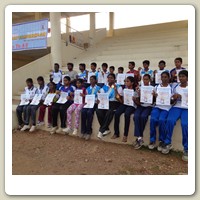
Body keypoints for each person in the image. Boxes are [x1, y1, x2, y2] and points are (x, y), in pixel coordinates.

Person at [161, 70, 188, 162]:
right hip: (176, 107)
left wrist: (182, 97)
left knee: (185, 124)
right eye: (180, 76)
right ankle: (167, 143)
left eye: (183, 76)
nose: (181, 78)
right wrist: (174, 98)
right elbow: (171, 100)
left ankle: (186, 148)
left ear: (187, 78)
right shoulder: (175, 87)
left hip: (187, 108)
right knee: (170, 120)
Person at [148, 71, 172, 151]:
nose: (164, 79)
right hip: (157, 107)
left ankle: (162, 140)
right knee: (153, 119)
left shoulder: (171, 87)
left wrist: (171, 99)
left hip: (166, 108)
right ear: (160, 78)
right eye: (162, 77)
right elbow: (153, 100)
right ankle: (152, 140)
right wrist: (154, 96)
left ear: (169, 78)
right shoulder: (157, 87)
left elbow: (173, 101)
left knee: (162, 120)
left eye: (166, 77)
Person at [111, 76, 139, 142]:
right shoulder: (125, 90)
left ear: (132, 83)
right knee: (117, 113)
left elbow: (138, 102)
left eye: (127, 81)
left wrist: (134, 100)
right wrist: (115, 91)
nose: (126, 83)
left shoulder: (135, 91)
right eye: (125, 81)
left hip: (132, 106)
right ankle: (116, 133)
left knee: (127, 114)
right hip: (125, 104)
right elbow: (121, 100)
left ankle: (125, 135)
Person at [96, 73, 123, 139]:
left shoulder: (119, 87)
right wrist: (98, 98)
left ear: (114, 79)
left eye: (111, 78)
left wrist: (115, 90)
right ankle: (106, 129)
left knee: (109, 112)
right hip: (106, 102)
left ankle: (101, 131)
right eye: (108, 78)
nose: (110, 79)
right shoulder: (105, 86)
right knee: (98, 110)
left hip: (115, 103)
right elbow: (100, 93)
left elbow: (118, 98)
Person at [133, 74, 154, 149]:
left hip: (149, 106)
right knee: (136, 116)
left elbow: (153, 101)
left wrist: (154, 96)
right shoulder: (139, 88)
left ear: (149, 80)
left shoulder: (153, 88)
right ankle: (140, 137)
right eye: (144, 79)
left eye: (147, 79)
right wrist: (137, 95)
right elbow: (137, 101)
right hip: (141, 106)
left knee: (143, 116)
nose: (145, 81)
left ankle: (139, 137)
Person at [81, 76, 101, 140]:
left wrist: (98, 99)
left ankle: (88, 132)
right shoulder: (87, 88)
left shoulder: (98, 88)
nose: (91, 81)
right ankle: (83, 131)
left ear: (95, 80)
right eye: (90, 79)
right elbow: (87, 96)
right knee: (83, 111)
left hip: (94, 103)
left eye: (92, 79)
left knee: (89, 112)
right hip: (88, 103)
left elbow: (100, 97)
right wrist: (84, 96)